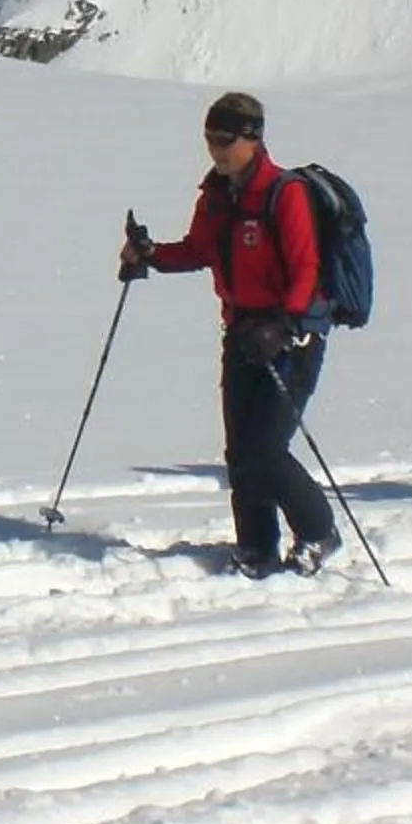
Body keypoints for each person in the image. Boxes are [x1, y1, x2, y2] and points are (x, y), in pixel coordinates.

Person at [120, 91, 343, 577]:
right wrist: (151, 253)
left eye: (224, 140)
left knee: (264, 448)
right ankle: (258, 546)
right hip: (241, 334)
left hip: (292, 341)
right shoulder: (217, 196)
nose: (215, 150)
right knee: (241, 449)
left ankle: (319, 532)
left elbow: (308, 268)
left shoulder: (285, 194)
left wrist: (283, 326)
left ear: (252, 138)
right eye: (209, 139)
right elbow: (199, 250)